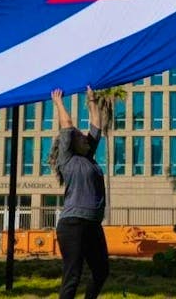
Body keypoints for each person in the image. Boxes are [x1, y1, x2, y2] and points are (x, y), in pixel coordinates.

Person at [51, 87, 108, 299]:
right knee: (73, 276)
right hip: (72, 225)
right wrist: (58, 101)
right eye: (81, 137)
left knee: (101, 271)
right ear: (72, 144)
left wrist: (92, 99)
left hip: (92, 224)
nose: (86, 137)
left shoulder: (89, 156)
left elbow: (96, 126)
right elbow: (66, 126)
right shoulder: (67, 159)